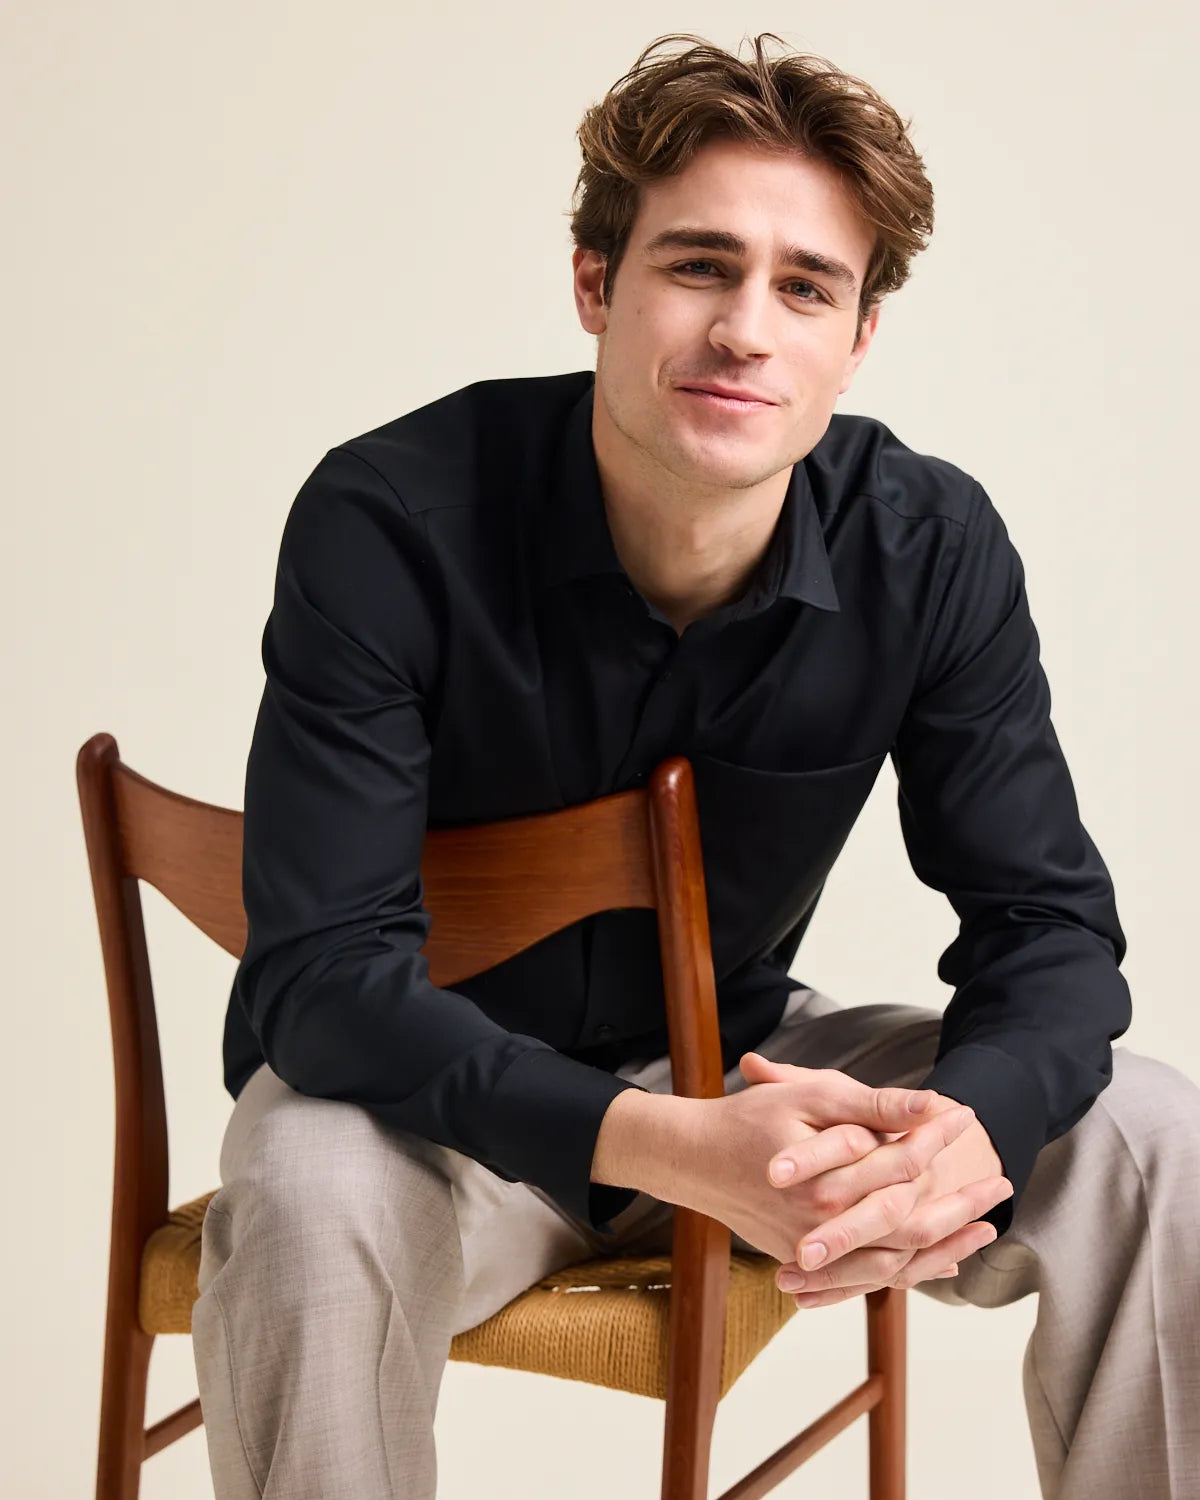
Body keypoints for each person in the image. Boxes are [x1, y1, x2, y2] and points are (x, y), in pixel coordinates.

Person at [191, 31, 1200, 1500]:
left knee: (1154, 1133)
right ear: (598, 284)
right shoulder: (388, 519)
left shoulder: (930, 548)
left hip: (746, 1070)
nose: (748, 329)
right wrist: (660, 1143)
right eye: (698, 266)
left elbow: (1047, 927)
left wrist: (966, 1131)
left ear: (856, 340)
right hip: (423, 1111)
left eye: (806, 288)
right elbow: (322, 980)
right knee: (302, 1189)